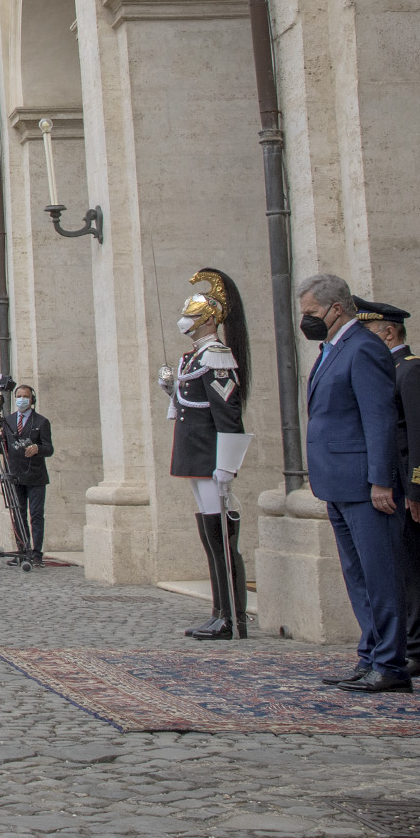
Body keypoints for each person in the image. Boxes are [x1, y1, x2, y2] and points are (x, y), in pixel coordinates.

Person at [299, 271, 408, 693]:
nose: (306, 319)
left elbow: (378, 418)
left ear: (336, 309)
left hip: (365, 485)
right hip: (337, 481)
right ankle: (371, 654)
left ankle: (392, 664)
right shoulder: (333, 348)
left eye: (311, 312)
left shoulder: (363, 348)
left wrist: (380, 481)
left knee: (379, 574)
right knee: (357, 575)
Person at [354, 296, 420, 680]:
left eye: (369, 333)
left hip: (408, 490)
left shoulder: (412, 371)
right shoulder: (383, 371)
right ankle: (401, 642)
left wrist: (419, 492)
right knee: (391, 569)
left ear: (388, 332)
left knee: (413, 569)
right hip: (385, 487)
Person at [162, 267, 252, 639]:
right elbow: (188, 404)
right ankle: (219, 610)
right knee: (209, 533)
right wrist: (170, 388)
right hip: (195, 456)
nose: (186, 320)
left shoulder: (216, 356)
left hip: (211, 456)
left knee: (222, 538)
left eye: (193, 314)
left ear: (210, 319)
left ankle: (232, 617)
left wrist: (227, 466)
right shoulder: (193, 358)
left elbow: (228, 413)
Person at [1, 385, 55, 565]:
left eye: (25, 396)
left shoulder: (41, 422)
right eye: (19, 396)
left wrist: (37, 448)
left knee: (36, 515)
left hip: (36, 476)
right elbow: (4, 449)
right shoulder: (8, 421)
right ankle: (22, 550)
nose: (22, 399)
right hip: (16, 476)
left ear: (32, 400)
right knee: (19, 514)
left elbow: (49, 449)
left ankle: (37, 553)